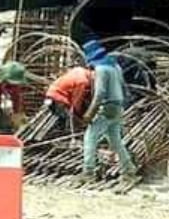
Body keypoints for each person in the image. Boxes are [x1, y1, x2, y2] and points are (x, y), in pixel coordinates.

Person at [80, 41, 137, 184]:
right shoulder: (116, 67)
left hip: (107, 107)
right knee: (115, 140)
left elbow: (100, 93)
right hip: (118, 106)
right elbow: (124, 88)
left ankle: (88, 172)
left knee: (90, 138)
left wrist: (90, 113)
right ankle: (129, 169)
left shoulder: (101, 69)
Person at [43, 64, 93, 130]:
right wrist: (81, 116)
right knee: (70, 122)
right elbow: (77, 102)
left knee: (62, 120)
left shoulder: (79, 70)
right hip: (59, 99)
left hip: (51, 95)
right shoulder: (82, 82)